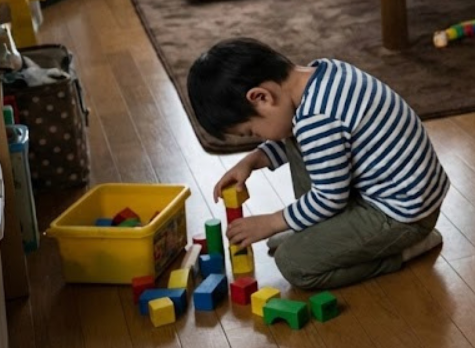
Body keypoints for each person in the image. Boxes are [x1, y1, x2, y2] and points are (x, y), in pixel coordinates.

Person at [186, 37, 450, 289]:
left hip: (403, 217)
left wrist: (272, 222)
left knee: (293, 263)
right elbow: (307, 142)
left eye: (252, 132)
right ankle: (319, 233)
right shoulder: (321, 74)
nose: (257, 137)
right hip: (399, 195)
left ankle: (404, 251)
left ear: (261, 97)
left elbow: (328, 198)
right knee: (291, 133)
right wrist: (253, 160)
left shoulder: (316, 121)